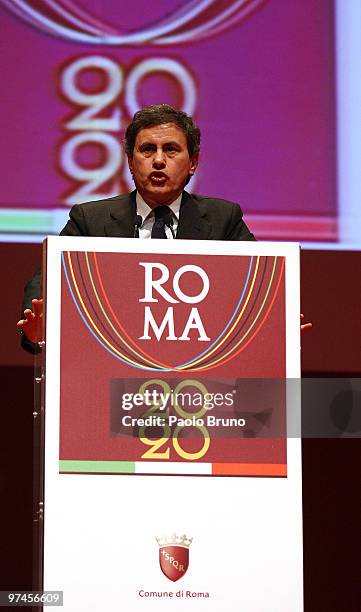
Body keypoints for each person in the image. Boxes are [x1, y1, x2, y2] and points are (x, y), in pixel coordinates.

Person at [17, 104, 310, 351]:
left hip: (198, 374)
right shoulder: (91, 220)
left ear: (193, 162)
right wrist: (38, 330)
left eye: (171, 150)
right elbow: (44, 285)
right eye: (147, 150)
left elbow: (257, 287)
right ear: (131, 161)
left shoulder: (223, 220)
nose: (158, 160)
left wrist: (275, 327)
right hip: (110, 366)